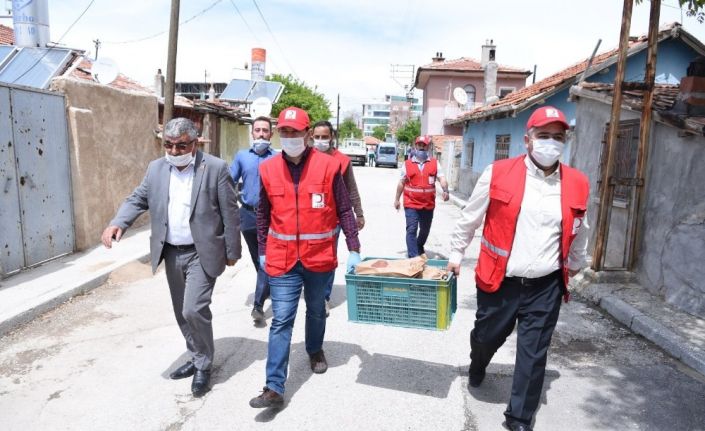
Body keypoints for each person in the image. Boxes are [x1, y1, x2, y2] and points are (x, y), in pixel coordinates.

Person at [447, 106, 590, 431]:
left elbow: (580, 227)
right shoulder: (498, 172)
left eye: (558, 137)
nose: (551, 143)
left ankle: (519, 418)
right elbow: (470, 217)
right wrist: (456, 253)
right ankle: (478, 361)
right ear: (527, 140)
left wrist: (576, 263)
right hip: (500, 280)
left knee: (533, 352)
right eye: (544, 136)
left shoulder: (578, 183)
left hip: (546, 285)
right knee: (487, 336)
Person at [101, 117, 241, 397]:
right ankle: (196, 354)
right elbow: (138, 198)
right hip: (171, 251)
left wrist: (232, 250)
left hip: (202, 252)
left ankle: (203, 365)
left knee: (193, 309)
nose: (174, 152)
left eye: (181, 146)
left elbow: (230, 212)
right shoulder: (156, 169)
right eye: (169, 145)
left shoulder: (214, 168)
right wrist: (118, 222)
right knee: (181, 312)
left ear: (195, 141)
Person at [249, 107, 361, 409]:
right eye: (284, 132)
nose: (289, 137)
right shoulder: (268, 168)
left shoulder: (328, 167)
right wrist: (261, 250)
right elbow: (263, 214)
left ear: (307, 134)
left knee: (315, 311)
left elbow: (343, 209)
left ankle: (314, 349)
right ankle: (274, 386)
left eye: (295, 132)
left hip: (318, 258)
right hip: (283, 261)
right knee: (281, 320)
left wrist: (353, 247)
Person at [310, 120, 365, 315]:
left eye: (324, 137)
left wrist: (359, 213)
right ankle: (312, 290)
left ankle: (324, 296)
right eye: (317, 137)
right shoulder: (305, 158)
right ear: (311, 137)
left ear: (331, 137)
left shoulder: (342, 161)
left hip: (334, 220)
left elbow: (351, 189)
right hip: (311, 219)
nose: (321, 140)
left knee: (328, 257)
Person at [230, 116, 275, 324]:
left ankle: (258, 306)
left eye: (265, 130)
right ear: (252, 133)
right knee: (259, 261)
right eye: (257, 130)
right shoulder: (241, 157)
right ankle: (269, 288)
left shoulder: (277, 159)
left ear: (271, 134)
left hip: (270, 218)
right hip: (247, 215)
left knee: (266, 260)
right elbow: (228, 181)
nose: (261, 134)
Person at [394, 135, 449, 258]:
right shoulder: (407, 164)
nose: (421, 147)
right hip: (411, 203)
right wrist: (397, 199)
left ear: (428, 147)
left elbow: (442, 178)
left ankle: (419, 245)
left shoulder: (435, 163)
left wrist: (446, 190)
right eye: (419, 145)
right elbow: (401, 183)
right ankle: (413, 257)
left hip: (428, 205)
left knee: (425, 230)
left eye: (424, 145)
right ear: (415, 146)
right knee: (411, 229)